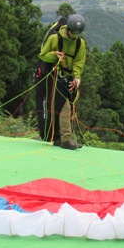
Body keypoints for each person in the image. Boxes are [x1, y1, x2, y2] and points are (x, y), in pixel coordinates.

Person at [35, 14, 87, 150]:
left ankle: (57, 137)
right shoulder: (54, 39)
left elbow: (78, 62)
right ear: (68, 28)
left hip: (66, 78)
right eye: (72, 32)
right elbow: (42, 55)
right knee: (65, 107)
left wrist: (77, 77)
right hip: (51, 76)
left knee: (64, 106)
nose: (73, 36)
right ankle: (66, 139)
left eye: (77, 34)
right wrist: (53, 55)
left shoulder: (80, 43)